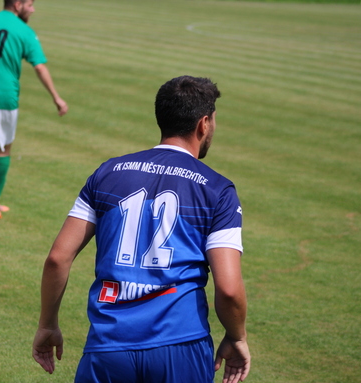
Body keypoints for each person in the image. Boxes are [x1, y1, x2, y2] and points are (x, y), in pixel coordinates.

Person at [32, 76, 250, 383]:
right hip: (181, 346)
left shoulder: (108, 173)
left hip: (108, 348)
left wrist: (48, 324)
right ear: (203, 124)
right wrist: (236, 336)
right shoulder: (217, 190)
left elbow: (57, 258)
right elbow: (228, 290)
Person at [0, 0, 68, 219]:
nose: (33, 9)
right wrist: (56, 97)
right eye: (30, 4)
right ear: (18, 4)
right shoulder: (25, 31)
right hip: (4, 97)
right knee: (2, 149)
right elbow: (39, 66)